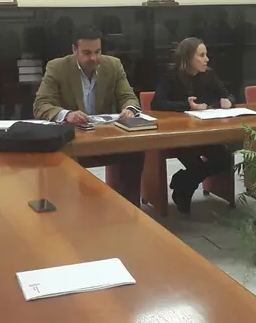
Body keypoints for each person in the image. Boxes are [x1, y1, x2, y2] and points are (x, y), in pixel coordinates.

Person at [33, 25, 144, 205]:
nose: (93, 58)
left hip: (104, 138)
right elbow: (41, 105)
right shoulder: (57, 67)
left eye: (97, 52)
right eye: (86, 53)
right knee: (64, 171)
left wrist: (129, 109)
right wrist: (67, 114)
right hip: (72, 140)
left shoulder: (113, 65)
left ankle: (129, 208)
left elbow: (128, 97)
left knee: (135, 149)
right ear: (74, 50)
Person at [152, 37, 236, 213]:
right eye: (201, 55)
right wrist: (186, 106)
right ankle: (184, 192)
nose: (206, 59)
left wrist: (228, 101)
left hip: (204, 133)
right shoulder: (171, 74)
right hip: (179, 136)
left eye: (206, 55)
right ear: (188, 58)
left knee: (224, 159)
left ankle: (181, 182)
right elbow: (156, 103)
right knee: (196, 165)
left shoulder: (208, 74)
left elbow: (228, 95)